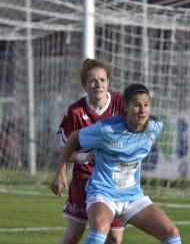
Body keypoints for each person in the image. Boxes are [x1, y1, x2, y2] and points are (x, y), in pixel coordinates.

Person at [51, 83, 182, 244]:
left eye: (146, 105)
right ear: (125, 107)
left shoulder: (155, 126)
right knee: (99, 231)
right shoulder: (107, 129)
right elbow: (75, 137)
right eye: (137, 105)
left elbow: (149, 118)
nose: (142, 110)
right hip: (103, 193)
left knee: (172, 233)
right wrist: (62, 169)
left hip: (132, 196)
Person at [53, 58, 125, 244]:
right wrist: (86, 157)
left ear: (108, 81)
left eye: (102, 79)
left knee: (115, 238)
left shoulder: (120, 103)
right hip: (85, 179)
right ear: (84, 86)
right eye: (92, 80)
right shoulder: (75, 112)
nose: (98, 84)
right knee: (73, 237)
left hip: (114, 180)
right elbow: (65, 154)